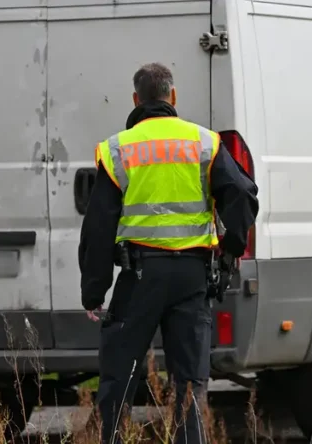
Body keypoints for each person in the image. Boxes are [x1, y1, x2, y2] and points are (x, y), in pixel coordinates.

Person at [78, 62, 259, 444]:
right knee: (189, 384)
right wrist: (230, 251)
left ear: (135, 99)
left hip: (139, 277)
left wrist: (94, 290)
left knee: (119, 377)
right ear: (172, 97)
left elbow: (98, 226)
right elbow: (242, 194)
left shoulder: (117, 150)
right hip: (193, 278)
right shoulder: (204, 143)